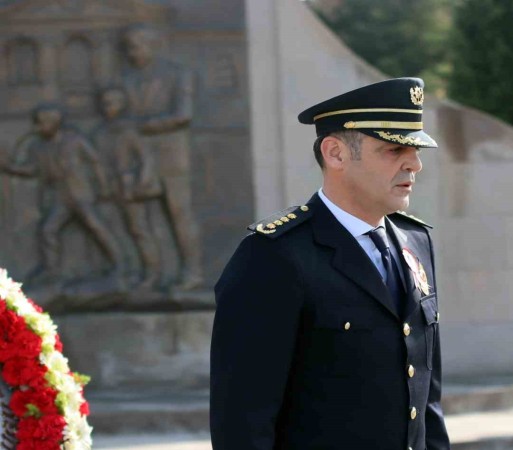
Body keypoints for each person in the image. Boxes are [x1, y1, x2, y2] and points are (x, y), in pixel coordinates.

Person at [210, 78, 450, 450]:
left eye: (416, 150)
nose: (414, 164)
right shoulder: (273, 256)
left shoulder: (415, 241)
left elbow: (426, 402)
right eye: (393, 149)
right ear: (335, 153)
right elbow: (242, 422)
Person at [0, 104, 123, 284]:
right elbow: (31, 169)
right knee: (48, 230)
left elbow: (95, 162)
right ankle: (52, 271)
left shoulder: (75, 140)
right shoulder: (37, 147)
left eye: (41, 123)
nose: (37, 127)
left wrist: (103, 187)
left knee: (96, 226)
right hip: (60, 196)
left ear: (54, 122)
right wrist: (9, 167)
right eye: (36, 123)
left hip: (80, 193)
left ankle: (120, 264)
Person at [120, 24, 203, 290]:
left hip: (170, 154)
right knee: (141, 219)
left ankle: (192, 273)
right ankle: (151, 274)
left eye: (135, 47)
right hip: (138, 155)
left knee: (178, 213)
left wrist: (147, 125)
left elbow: (184, 115)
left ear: (152, 45)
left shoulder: (178, 74)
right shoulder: (127, 79)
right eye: (128, 48)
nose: (131, 53)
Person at [91, 86, 162, 290]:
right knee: (118, 230)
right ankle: (126, 271)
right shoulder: (99, 133)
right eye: (104, 103)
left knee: (139, 230)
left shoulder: (129, 131)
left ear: (122, 105)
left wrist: (142, 183)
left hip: (130, 187)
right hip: (109, 187)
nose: (107, 107)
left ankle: (152, 275)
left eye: (112, 103)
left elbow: (146, 159)